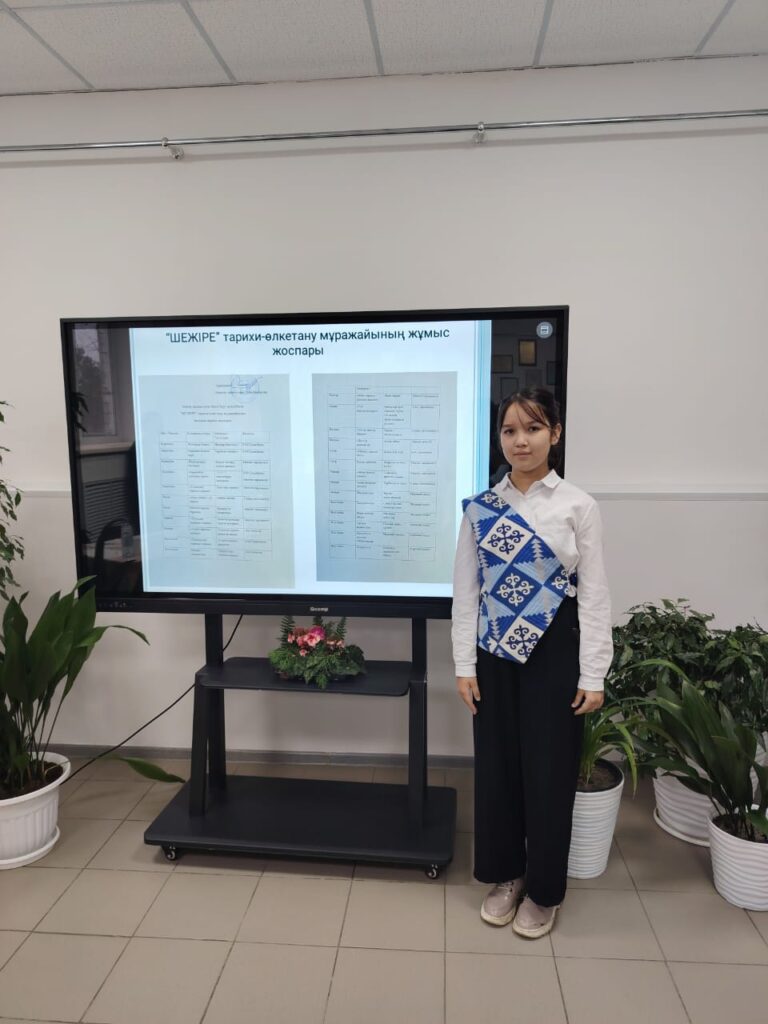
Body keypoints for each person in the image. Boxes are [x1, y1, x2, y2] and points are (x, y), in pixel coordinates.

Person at [451, 386, 612, 939]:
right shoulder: (481, 508)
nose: (520, 441)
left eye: (533, 428)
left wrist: (593, 673)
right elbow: (466, 593)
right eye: (510, 430)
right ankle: (506, 875)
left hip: (555, 653)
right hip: (494, 653)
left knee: (549, 774)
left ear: (555, 434)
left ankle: (543, 891)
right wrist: (464, 665)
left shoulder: (578, 506)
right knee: (497, 771)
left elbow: (595, 596)